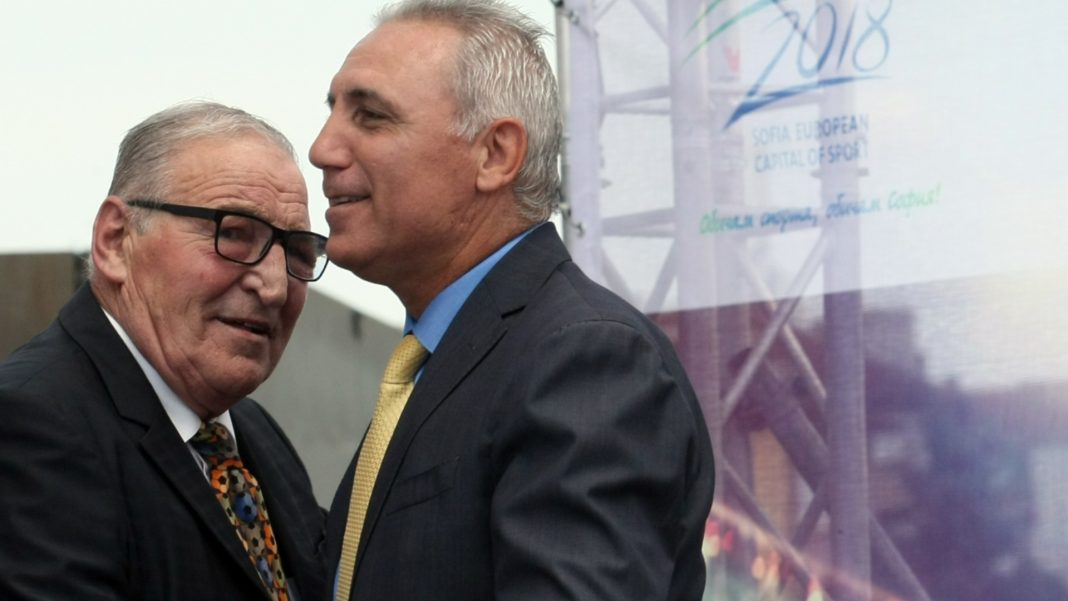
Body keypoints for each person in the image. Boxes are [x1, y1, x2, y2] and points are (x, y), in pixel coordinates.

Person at [309, 1, 716, 599]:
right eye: (332, 112)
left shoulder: (587, 361)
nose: (322, 149)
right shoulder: (445, 363)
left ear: (495, 154)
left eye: (370, 117)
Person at [0, 101, 330, 600]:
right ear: (116, 240)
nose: (274, 287)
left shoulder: (254, 434)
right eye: (234, 234)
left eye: (298, 253)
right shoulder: (31, 425)